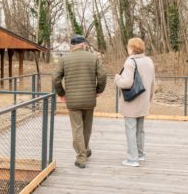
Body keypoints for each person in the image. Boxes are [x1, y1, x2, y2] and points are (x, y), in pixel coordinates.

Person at [53, 34, 107, 169]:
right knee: (87, 128)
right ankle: (85, 150)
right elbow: (102, 75)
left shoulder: (64, 59)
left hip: (73, 100)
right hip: (89, 99)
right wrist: (99, 90)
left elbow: (55, 78)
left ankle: (81, 157)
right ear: (83, 45)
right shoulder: (93, 58)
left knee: (77, 128)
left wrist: (61, 93)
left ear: (72, 46)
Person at [114, 37, 155, 167]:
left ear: (132, 48)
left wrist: (117, 79)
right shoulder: (149, 60)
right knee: (140, 129)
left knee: (130, 129)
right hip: (144, 101)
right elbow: (153, 82)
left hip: (131, 102)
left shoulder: (130, 61)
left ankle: (132, 159)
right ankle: (141, 154)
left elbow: (126, 83)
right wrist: (149, 98)